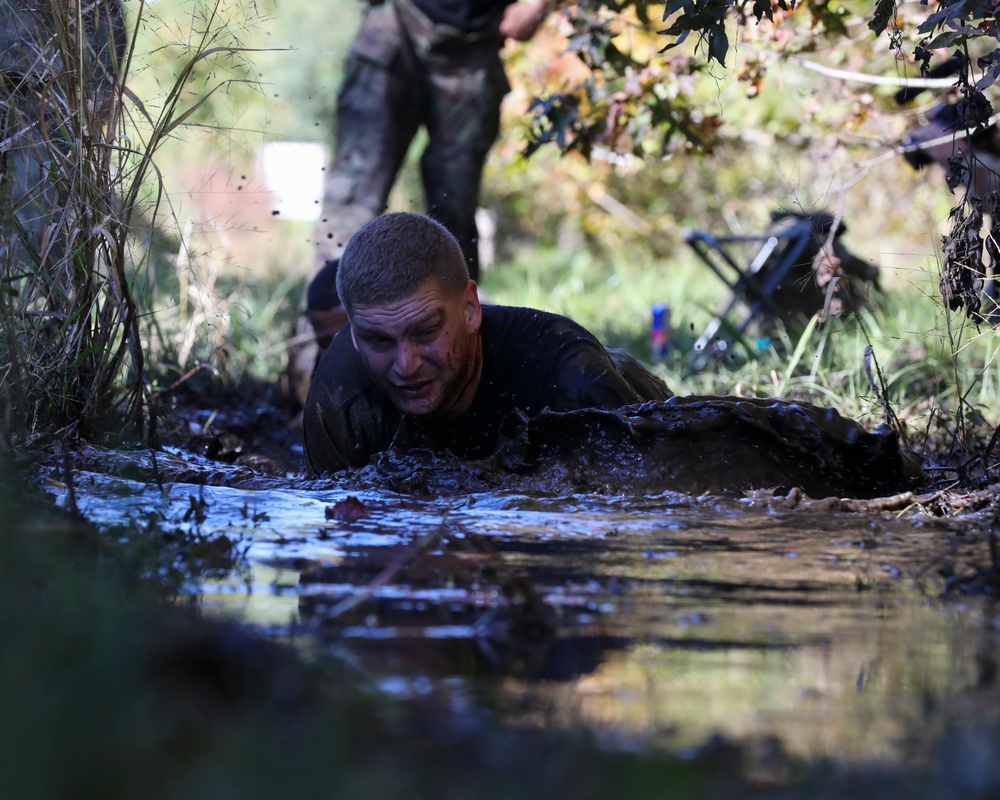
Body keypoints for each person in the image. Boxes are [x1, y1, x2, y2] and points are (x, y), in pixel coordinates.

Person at [293, 0, 555, 401]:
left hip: (474, 40)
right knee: (346, 213)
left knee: (454, 221)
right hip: (394, 21)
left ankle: (461, 396)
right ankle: (317, 388)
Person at [303, 212, 672, 474]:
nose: (406, 364)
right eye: (379, 340)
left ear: (470, 309)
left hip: (634, 392)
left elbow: (639, 520)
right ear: (354, 335)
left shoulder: (567, 373)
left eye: (426, 331)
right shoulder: (340, 394)